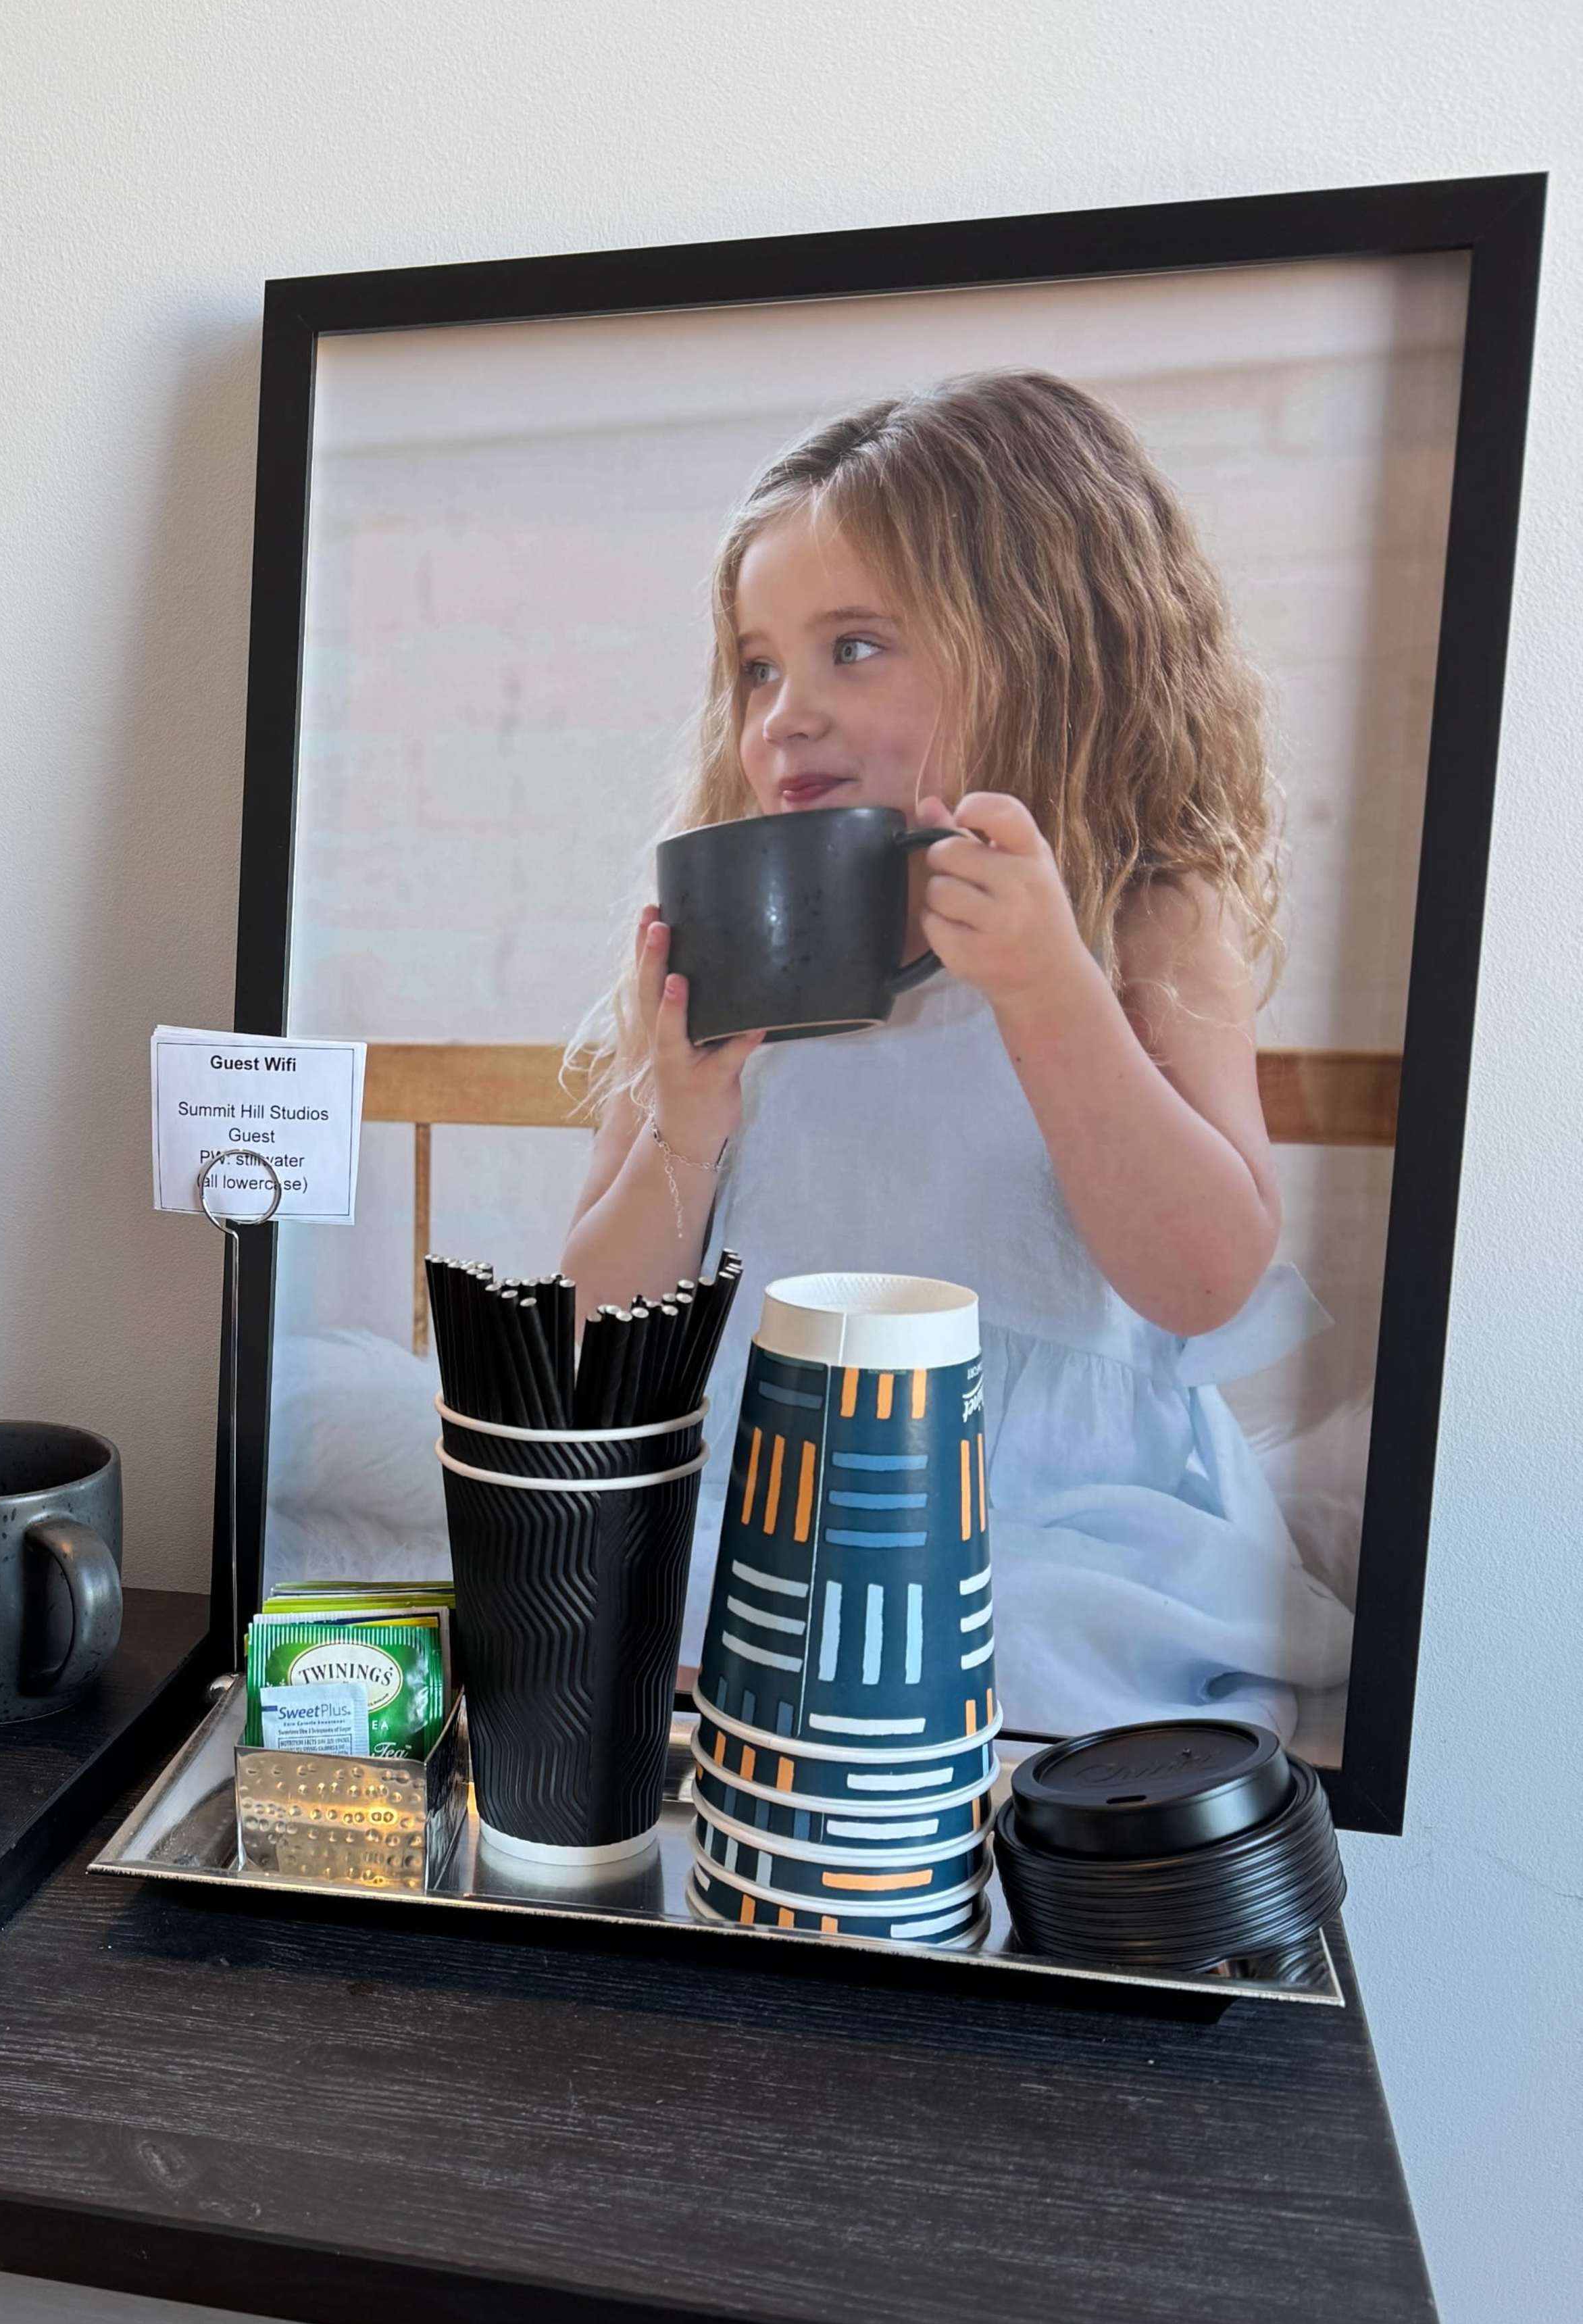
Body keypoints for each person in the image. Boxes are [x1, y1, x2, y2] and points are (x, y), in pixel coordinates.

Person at [563, 369, 1349, 1741]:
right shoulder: (733, 950)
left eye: (855, 647)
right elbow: (587, 1338)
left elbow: (1203, 1276)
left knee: (1014, 1647)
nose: (784, 713)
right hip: (770, 1489)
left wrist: (1050, 991)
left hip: (1042, 1507)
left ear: (1043, 646)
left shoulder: (1140, 919)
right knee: (597, 1610)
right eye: (759, 665)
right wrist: (682, 1130)